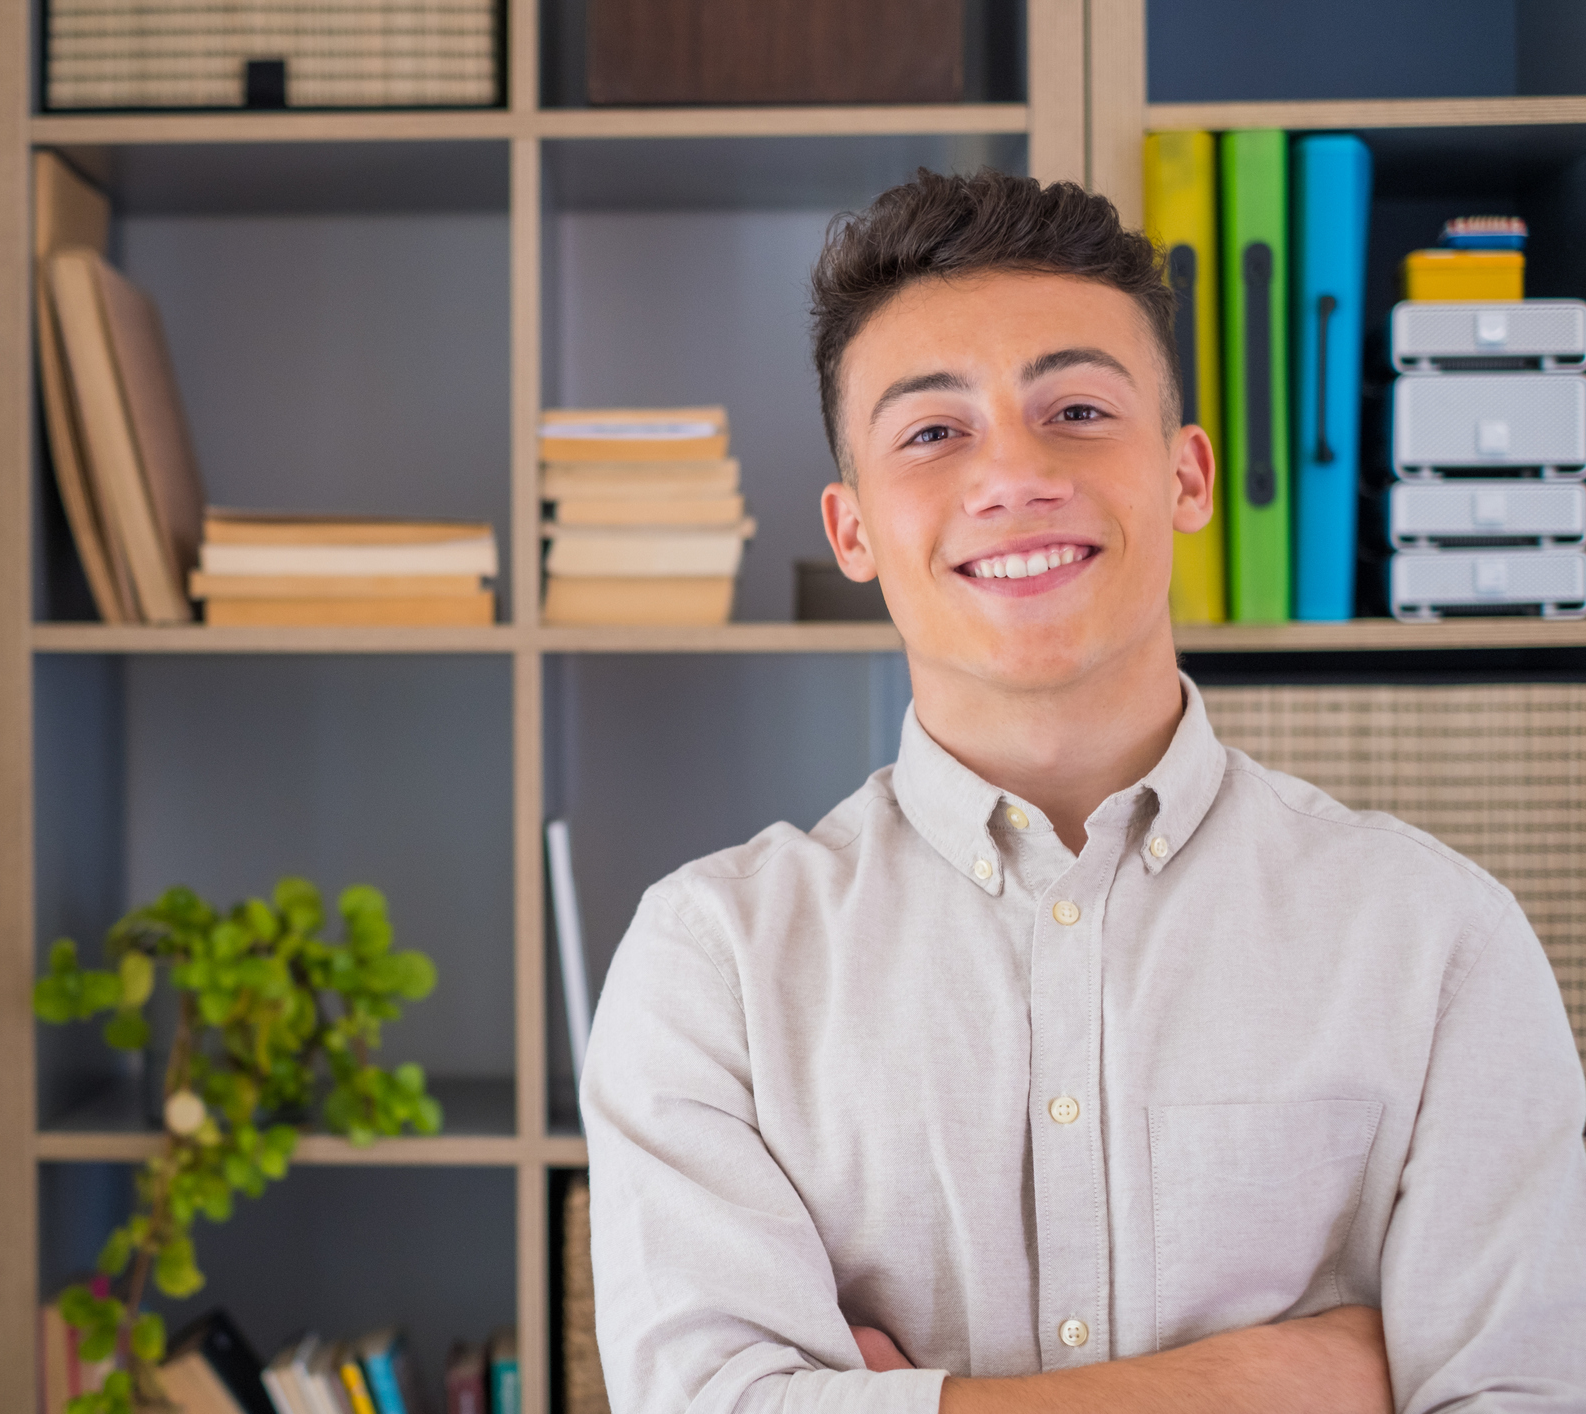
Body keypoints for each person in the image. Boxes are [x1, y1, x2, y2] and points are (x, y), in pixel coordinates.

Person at [579, 169, 1586, 1414]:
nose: (1013, 475)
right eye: (934, 432)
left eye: (1076, 409)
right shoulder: (713, 964)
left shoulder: (1442, 944)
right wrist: (1276, 1379)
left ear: (1188, 477)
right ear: (852, 532)